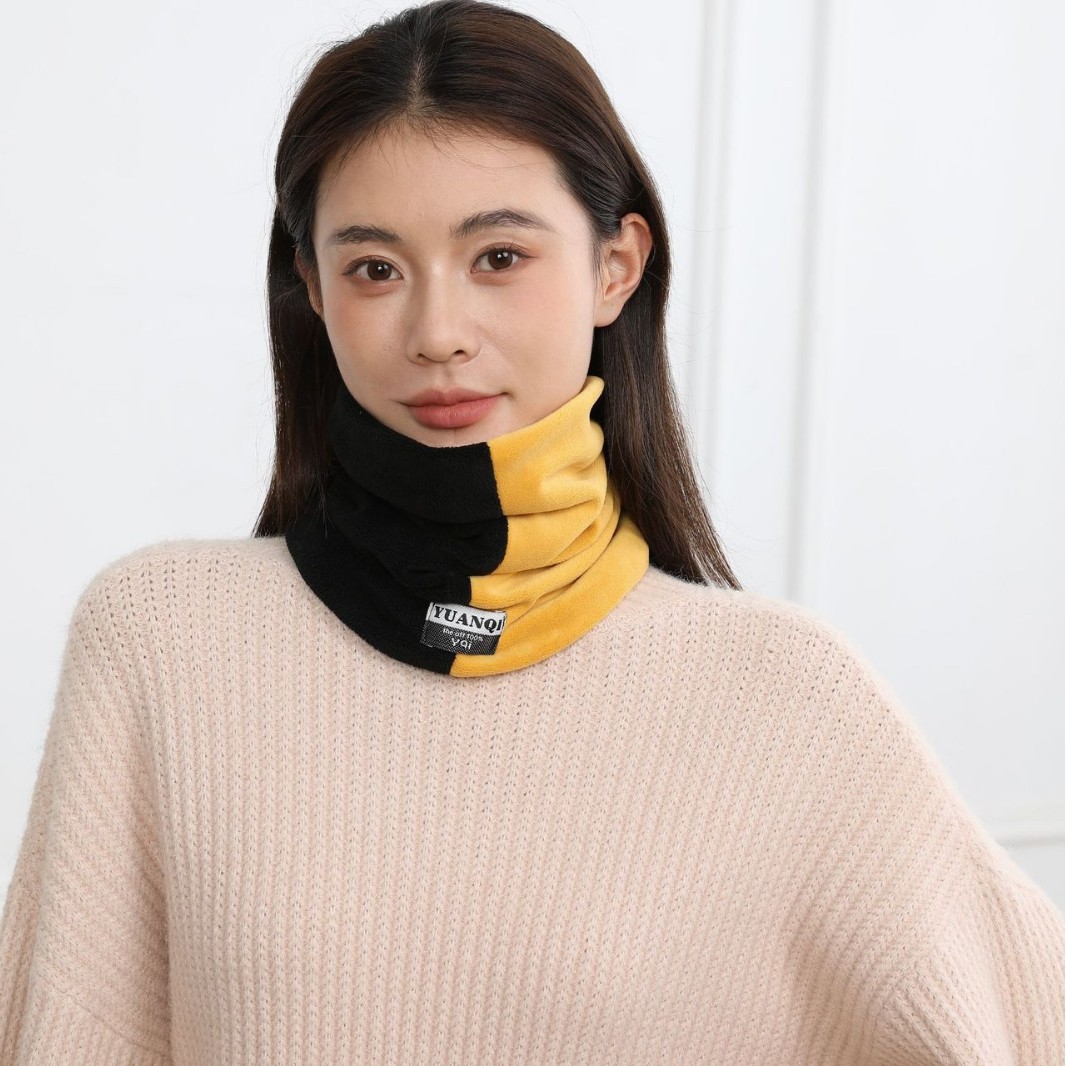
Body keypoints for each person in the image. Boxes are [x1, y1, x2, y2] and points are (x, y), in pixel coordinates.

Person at [0, 0, 1061, 1061]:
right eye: (375, 269)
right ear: (312, 287)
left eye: (498, 256)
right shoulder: (160, 642)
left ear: (616, 266)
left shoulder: (786, 695)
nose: (437, 333)